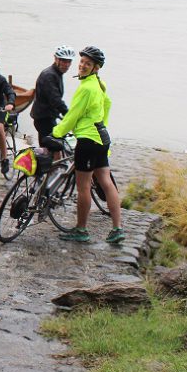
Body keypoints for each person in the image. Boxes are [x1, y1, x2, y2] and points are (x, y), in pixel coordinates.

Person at [50, 46, 123, 244]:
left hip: (88, 141)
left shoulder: (86, 88)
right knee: (106, 183)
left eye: (87, 64)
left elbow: (73, 115)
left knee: (83, 187)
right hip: (101, 137)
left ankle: (81, 229)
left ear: (96, 68)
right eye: (81, 62)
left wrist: (56, 133)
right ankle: (117, 228)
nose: (82, 65)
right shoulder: (99, 84)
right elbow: (107, 104)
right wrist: (102, 123)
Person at [31, 45, 75, 144]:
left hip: (49, 116)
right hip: (43, 118)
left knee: (54, 147)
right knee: (50, 149)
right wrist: (68, 114)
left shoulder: (57, 73)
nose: (67, 64)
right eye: (64, 61)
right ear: (56, 59)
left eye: (69, 61)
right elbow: (55, 99)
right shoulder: (49, 75)